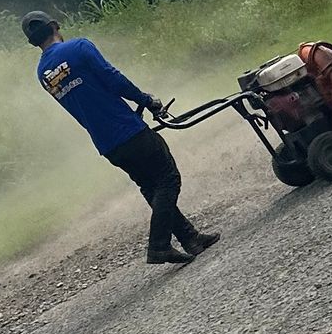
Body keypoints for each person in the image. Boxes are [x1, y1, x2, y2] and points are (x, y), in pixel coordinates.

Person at [21, 14, 217, 267]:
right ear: (56, 26)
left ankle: (190, 238)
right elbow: (112, 78)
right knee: (168, 179)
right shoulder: (78, 47)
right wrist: (145, 100)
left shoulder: (43, 73)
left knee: (150, 187)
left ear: (34, 42)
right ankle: (158, 245)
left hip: (107, 144)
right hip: (128, 129)